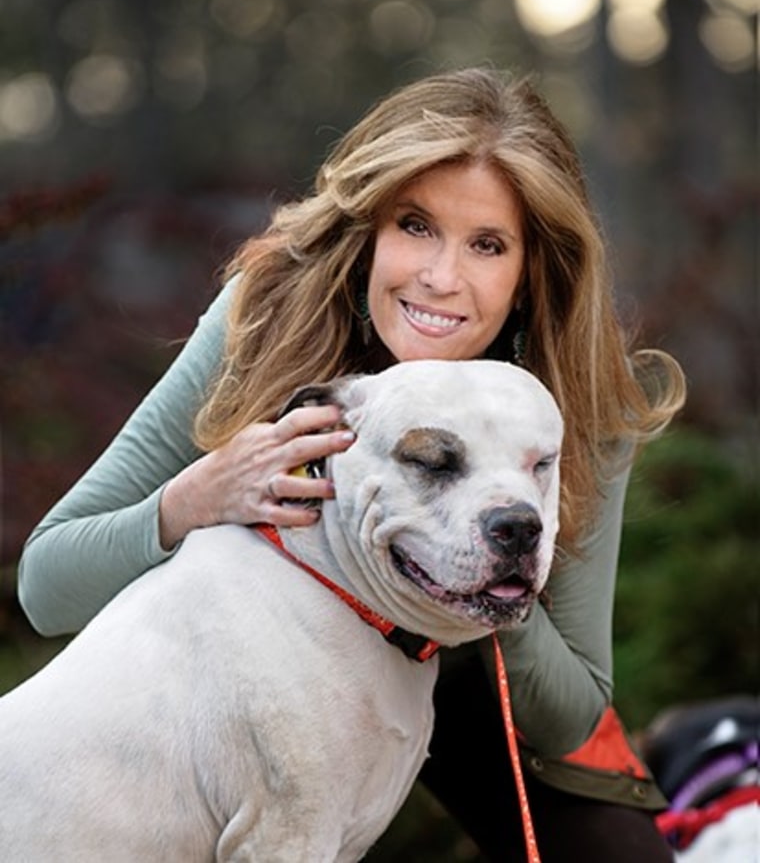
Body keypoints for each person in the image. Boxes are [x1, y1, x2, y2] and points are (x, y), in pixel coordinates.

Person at [18, 67, 686, 861]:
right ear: (368, 225)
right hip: (296, 657)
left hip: (483, 674)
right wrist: (194, 497)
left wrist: (492, 565)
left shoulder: (574, 393)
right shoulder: (266, 313)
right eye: (414, 225)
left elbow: (575, 710)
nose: (440, 276)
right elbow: (45, 584)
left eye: (487, 244)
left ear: (531, 269)